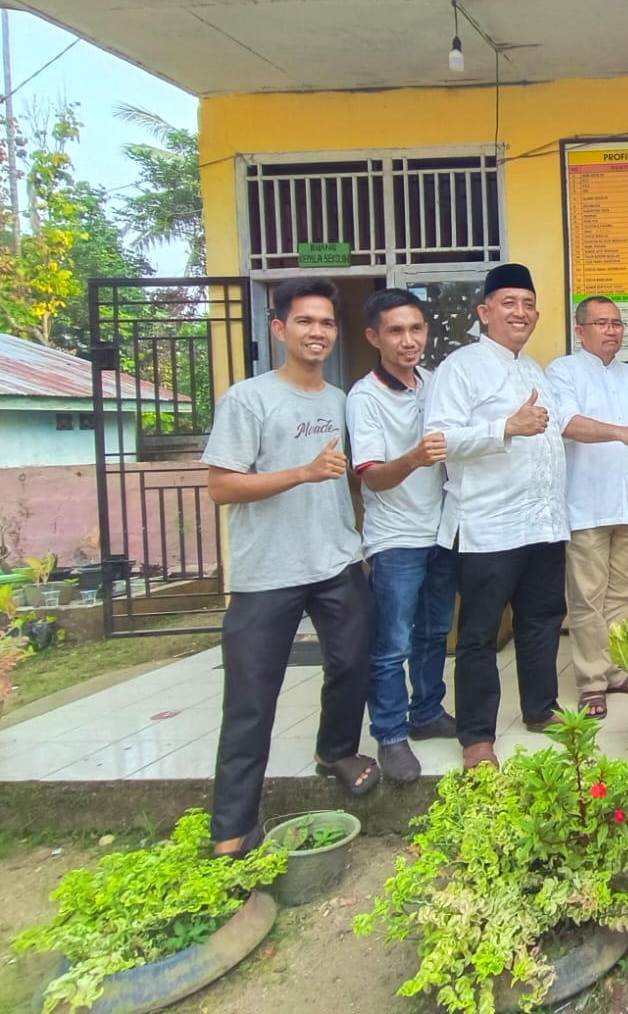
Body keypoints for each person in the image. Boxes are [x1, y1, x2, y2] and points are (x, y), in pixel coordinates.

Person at [425, 265, 628, 767]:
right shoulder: (460, 367)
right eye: (509, 303)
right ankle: (476, 736)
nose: (520, 313)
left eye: (527, 305)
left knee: (542, 622)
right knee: (479, 635)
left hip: (542, 525)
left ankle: (540, 708)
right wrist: (505, 426)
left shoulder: (534, 371)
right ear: (484, 312)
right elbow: (437, 441)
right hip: (487, 527)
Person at [203, 278, 377, 857]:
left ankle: (336, 750)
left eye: (326, 322)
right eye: (305, 321)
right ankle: (232, 829)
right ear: (279, 328)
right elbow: (222, 487)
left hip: (335, 559)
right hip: (267, 572)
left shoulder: (339, 401)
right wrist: (301, 472)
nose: (317, 332)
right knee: (251, 699)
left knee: (352, 663)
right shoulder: (247, 399)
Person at [345, 288, 455, 784]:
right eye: (395, 331)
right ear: (374, 337)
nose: (408, 341)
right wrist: (415, 456)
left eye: (415, 329)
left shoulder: (433, 383)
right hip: (395, 539)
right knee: (392, 643)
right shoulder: (364, 397)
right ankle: (390, 735)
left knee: (434, 632)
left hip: (441, 530)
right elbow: (372, 477)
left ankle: (427, 711)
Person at [546, 296, 628, 720]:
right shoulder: (563, 371)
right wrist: (621, 433)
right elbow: (566, 423)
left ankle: (616, 670)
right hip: (586, 503)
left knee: (624, 594)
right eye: (602, 323)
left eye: (617, 323)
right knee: (587, 597)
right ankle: (592, 680)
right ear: (580, 331)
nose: (612, 330)